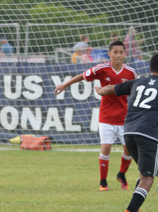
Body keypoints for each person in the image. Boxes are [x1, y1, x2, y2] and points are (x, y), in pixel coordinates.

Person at [95, 53, 158, 212]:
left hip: (128, 133)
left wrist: (99, 90)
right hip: (148, 135)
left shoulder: (136, 82)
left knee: (143, 174)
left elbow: (111, 89)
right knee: (148, 178)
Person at [55, 40, 137, 191]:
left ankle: (121, 174)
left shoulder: (130, 72)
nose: (118, 55)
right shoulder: (102, 69)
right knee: (106, 147)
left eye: (121, 52)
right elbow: (82, 76)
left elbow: (136, 92)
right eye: (115, 52)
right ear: (109, 54)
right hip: (106, 116)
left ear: (125, 54)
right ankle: (103, 182)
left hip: (124, 117)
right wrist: (64, 85)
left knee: (129, 149)